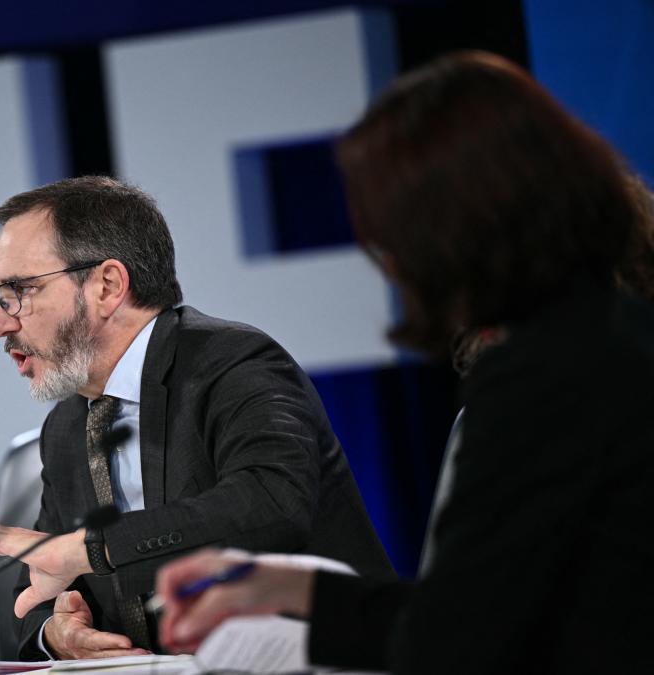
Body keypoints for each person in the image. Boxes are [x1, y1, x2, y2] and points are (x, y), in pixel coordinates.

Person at [156, 52, 654, 674]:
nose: (389, 264)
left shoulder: (539, 378)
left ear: (448, 230)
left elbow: (455, 643)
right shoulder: (620, 334)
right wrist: (282, 587)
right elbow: (480, 606)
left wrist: (297, 625)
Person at [0, 176, 394, 661]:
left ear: (107, 286)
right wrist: (58, 632)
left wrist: (89, 550)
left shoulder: (234, 365)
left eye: (20, 291)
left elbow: (271, 504)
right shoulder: (67, 426)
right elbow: (41, 585)